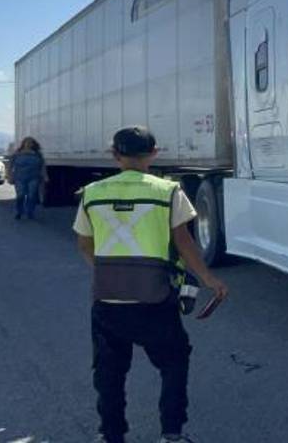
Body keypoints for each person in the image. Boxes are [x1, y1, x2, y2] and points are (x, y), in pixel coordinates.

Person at [73, 126, 228, 443]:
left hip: (107, 299)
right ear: (154, 153)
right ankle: (171, 435)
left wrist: (105, 271)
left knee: (109, 374)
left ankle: (110, 435)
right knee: (173, 362)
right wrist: (210, 279)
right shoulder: (168, 191)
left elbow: (84, 244)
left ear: (115, 155)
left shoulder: (92, 193)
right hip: (154, 298)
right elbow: (184, 243)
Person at [9, 136, 47, 220]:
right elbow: (10, 166)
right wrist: (10, 177)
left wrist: (45, 176)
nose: (29, 144)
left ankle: (30, 212)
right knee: (20, 195)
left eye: (31, 142)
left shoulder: (38, 154)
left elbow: (42, 166)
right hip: (19, 178)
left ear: (33, 144)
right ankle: (19, 211)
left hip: (33, 177)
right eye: (27, 142)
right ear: (23, 143)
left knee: (31, 195)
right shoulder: (17, 153)